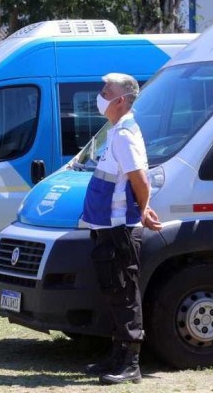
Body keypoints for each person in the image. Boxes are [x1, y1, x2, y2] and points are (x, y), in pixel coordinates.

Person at [81, 73, 161, 385]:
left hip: (120, 229)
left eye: (105, 91)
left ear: (120, 100)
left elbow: (139, 179)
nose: (99, 96)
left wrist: (143, 209)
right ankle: (116, 355)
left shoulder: (126, 134)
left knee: (124, 291)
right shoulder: (116, 131)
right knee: (114, 292)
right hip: (107, 227)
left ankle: (131, 363)